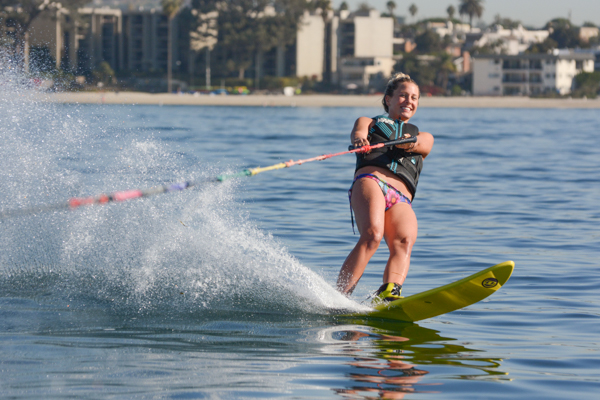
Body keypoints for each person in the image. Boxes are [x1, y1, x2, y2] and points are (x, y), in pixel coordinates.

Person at [336, 73, 434, 303]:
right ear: (388, 99)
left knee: (404, 240)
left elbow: (420, 144)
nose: (409, 101)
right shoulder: (367, 122)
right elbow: (359, 132)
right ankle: (340, 297)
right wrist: (361, 141)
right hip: (372, 182)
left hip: (401, 197)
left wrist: (408, 142)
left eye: (414, 98)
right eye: (403, 95)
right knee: (372, 236)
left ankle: (389, 293)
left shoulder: (424, 136)